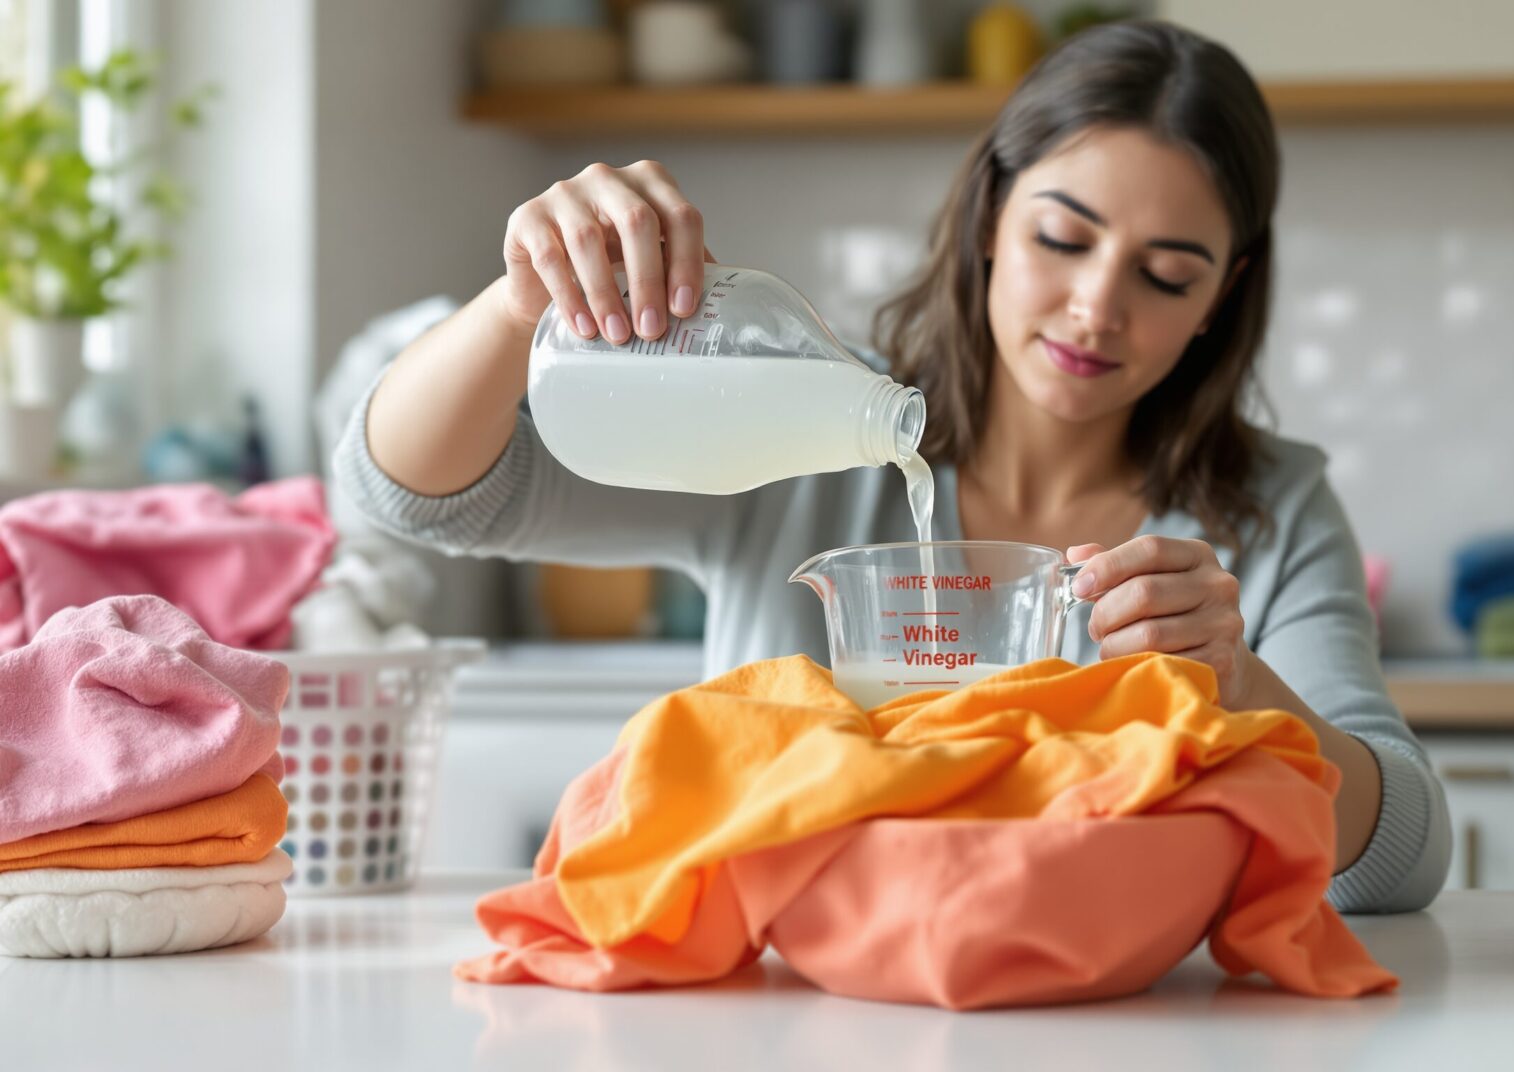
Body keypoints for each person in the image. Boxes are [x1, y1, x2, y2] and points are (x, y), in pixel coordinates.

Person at [336, 21, 1450, 912]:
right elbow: (422, 494)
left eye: (1165, 275)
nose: (1096, 307)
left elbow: (1397, 859)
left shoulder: (1269, 510)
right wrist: (523, 296)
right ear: (988, 220)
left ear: (1223, 298)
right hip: (780, 1011)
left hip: (1108, 1016)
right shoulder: (802, 426)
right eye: (1062, 239)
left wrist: (1244, 686)